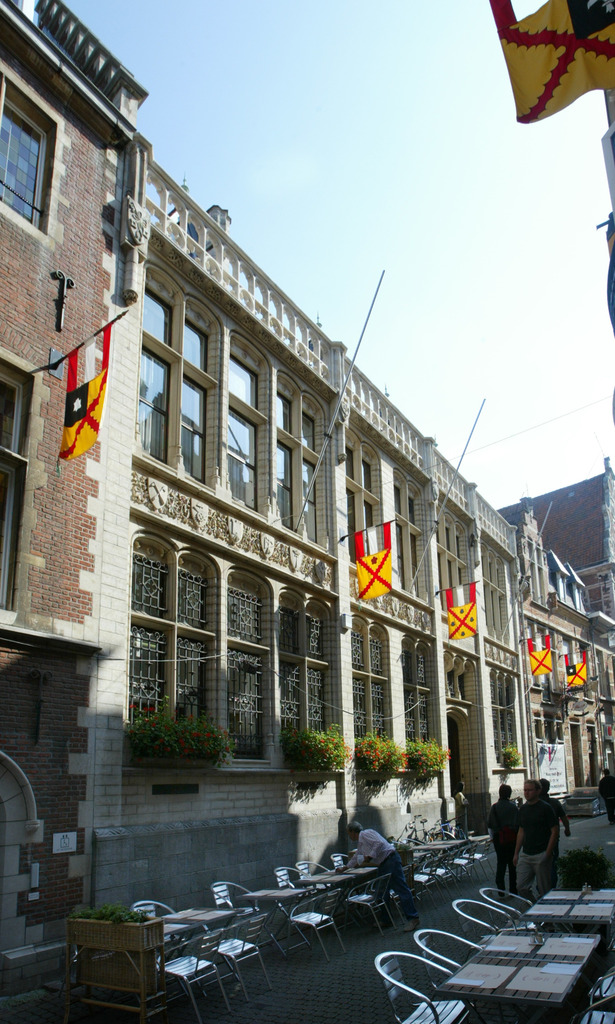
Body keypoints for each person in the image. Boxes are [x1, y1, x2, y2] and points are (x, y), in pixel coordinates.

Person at [336, 820, 420, 932]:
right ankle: (386, 919)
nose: (349, 836)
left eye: (348, 833)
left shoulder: (366, 834)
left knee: (401, 889)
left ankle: (413, 918)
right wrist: (344, 868)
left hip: (390, 860)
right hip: (384, 863)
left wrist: (370, 856)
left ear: (352, 831)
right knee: (381, 892)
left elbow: (379, 843)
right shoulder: (361, 842)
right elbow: (356, 857)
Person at [513, 779, 558, 903]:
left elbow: (554, 831)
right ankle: (533, 908)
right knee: (521, 887)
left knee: (544, 890)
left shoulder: (546, 808)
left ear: (538, 791)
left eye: (530, 790)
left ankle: (547, 913)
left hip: (541, 853)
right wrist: (516, 853)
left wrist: (548, 853)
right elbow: (521, 831)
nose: (526, 793)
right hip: (526, 854)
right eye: (525, 790)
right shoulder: (523, 809)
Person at [487, 783, 519, 897]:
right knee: (512, 864)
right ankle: (513, 889)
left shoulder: (494, 807)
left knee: (501, 862)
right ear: (509, 794)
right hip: (512, 838)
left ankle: (500, 888)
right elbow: (518, 824)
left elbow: (490, 825)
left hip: (498, 838)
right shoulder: (514, 807)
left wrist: (492, 838)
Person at [539, 777, 571, 887]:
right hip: (553, 838)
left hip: (538, 839)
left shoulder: (534, 803)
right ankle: (552, 887)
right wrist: (567, 829)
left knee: (539, 864)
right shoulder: (554, 802)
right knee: (552, 862)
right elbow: (564, 818)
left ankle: (541, 887)